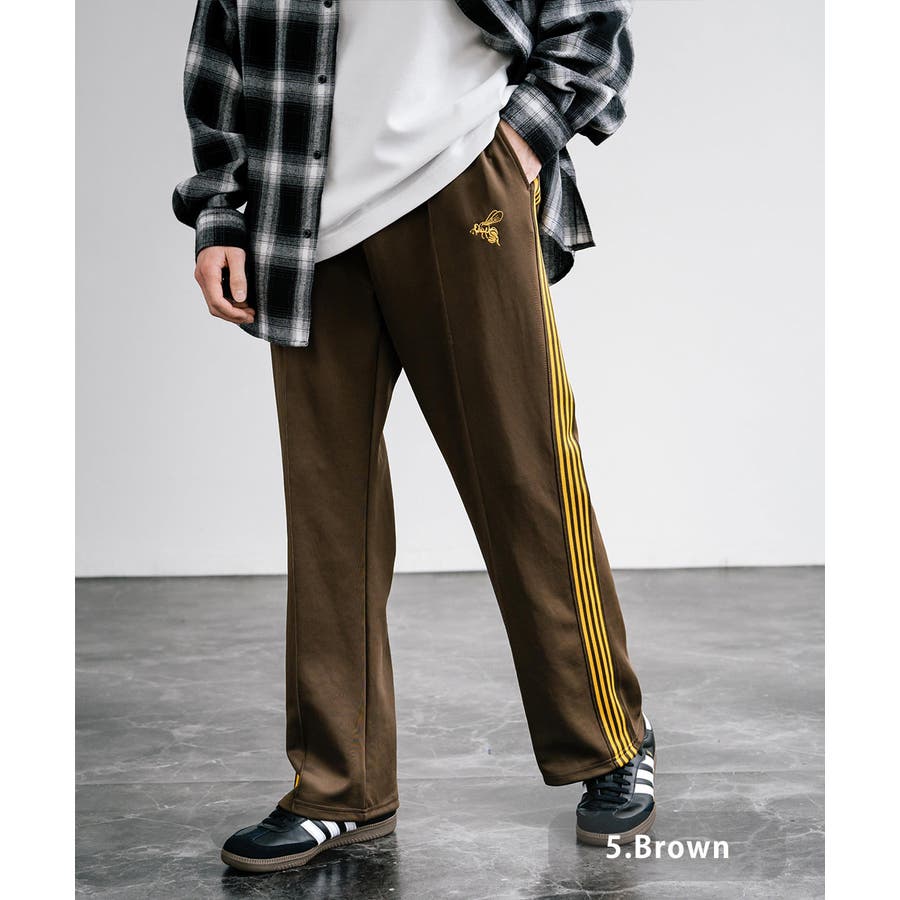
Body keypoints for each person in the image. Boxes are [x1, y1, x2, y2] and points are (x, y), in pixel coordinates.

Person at [172, 0, 655, 875]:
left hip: (462, 181)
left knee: (525, 477)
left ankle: (610, 742)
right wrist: (219, 214)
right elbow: (222, 61)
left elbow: (588, 20)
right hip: (301, 217)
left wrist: (519, 142)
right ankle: (338, 789)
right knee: (329, 517)